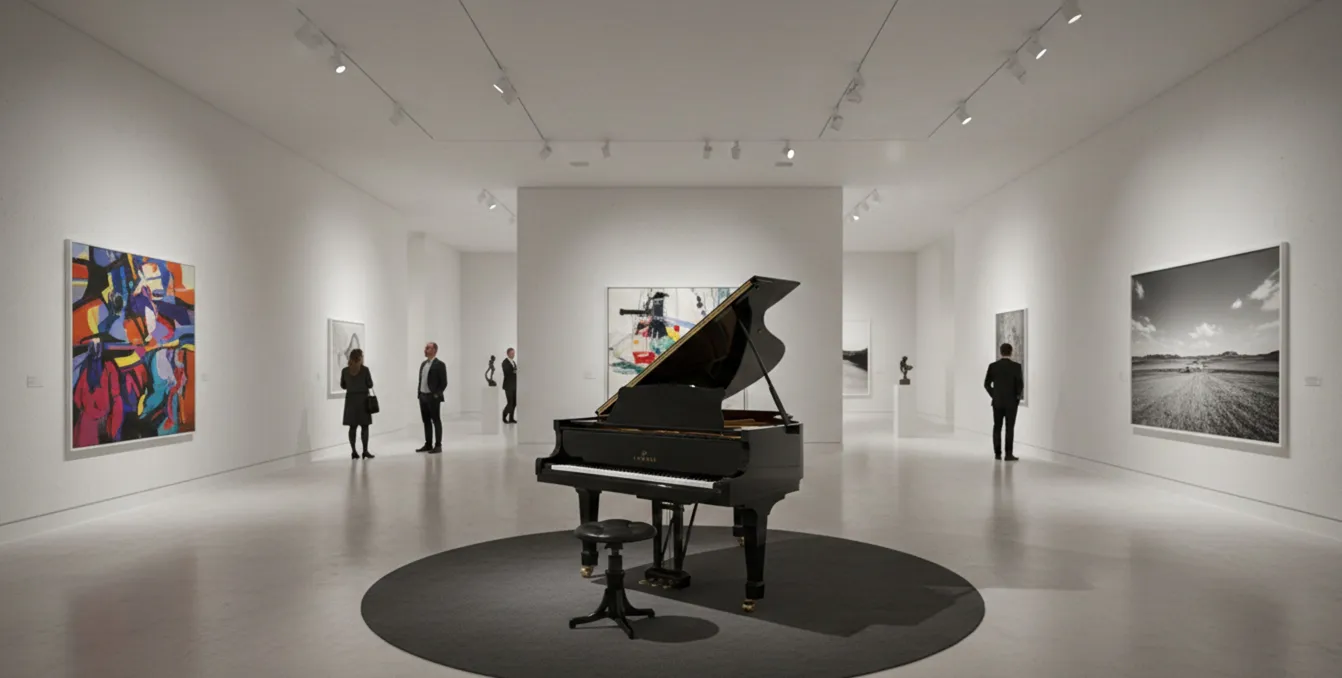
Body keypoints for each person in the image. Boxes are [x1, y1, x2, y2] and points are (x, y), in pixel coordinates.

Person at [984, 343, 1024, 461]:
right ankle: (1008, 454)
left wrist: (994, 395)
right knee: (1009, 428)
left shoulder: (993, 366)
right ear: (1011, 352)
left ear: (1000, 352)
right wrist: (1016, 397)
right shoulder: (1016, 367)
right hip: (1011, 402)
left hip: (997, 402)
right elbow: (1020, 385)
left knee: (997, 427)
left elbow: (986, 384)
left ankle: (997, 453)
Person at [340, 348, 374, 460]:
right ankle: (365, 451)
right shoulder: (365, 370)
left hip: (351, 401)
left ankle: (354, 451)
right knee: (365, 427)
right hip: (363, 400)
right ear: (360, 357)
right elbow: (370, 384)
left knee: (352, 427)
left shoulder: (345, 371)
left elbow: (343, 385)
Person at [416, 342, 448, 453]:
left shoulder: (440, 364)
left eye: (428, 348)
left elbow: (444, 382)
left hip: (432, 397)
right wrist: (419, 394)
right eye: (425, 348)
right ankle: (428, 444)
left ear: (434, 350)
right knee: (426, 421)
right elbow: (421, 380)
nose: (425, 349)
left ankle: (438, 445)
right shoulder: (423, 364)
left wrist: (436, 394)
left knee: (436, 420)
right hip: (423, 396)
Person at [501, 347, 518, 424]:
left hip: (514, 385)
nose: (513, 355)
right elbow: (507, 372)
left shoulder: (513, 362)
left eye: (514, 353)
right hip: (508, 386)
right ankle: (504, 416)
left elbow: (515, 372)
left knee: (514, 403)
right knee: (510, 403)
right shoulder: (505, 362)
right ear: (508, 354)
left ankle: (511, 418)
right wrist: (515, 371)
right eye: (511, 353)